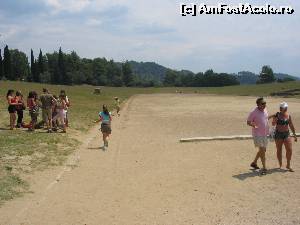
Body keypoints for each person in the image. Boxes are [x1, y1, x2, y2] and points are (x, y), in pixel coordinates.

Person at [270, 102, 297, 172]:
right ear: (280, 108)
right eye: (284, 108)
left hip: (286, 134)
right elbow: (273, 124)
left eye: (286, 107)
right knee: (279, 150)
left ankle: (288, 164)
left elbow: (291, 125)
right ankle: (280, 163)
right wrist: (274, 120)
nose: (285, 109)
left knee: (289, 149)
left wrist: (294, 135)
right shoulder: (277, 115)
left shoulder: (288, 115)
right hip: (278, 134)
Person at [247, 97, 269, 175]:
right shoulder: (253, 112)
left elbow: (265, 118)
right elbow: (248, 122)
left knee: (263, 150)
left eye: (265, 103)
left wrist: (273, 116)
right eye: (262, 103)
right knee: (263, 151)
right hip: (257, 134)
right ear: (258, 104)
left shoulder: (265, 110)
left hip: (265, 133)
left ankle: (254, 163)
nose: (264, 105)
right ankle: (264, 168)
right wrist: (253, 125)